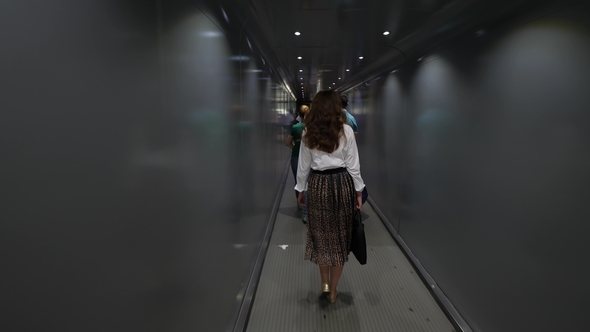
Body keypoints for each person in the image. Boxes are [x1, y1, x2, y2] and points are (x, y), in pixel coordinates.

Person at [295, 90, 365, 304]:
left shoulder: (308, 132)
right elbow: (353, 165)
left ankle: (324, 283)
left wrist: (301, 189)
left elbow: (303, 165)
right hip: (342, 184)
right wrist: (358, 191)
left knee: (321, 236)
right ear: (337, 107)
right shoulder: (346, 130)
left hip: (318, 185)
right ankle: (334, 290)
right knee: (339, 238)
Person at [340, 94, 369, 204]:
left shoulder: (328, 119)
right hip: (347, 158)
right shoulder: (351, 119)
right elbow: (354, 143)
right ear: (347, 104)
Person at [286, 105, 310, 222]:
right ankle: (308, 208)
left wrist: (295, 148)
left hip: (296, 157)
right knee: (309, 183)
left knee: (299, 181)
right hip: (309, 159)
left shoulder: (295, 127)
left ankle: (300, 203)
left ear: (299, 114)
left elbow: (287, 142)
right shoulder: (311, 127)